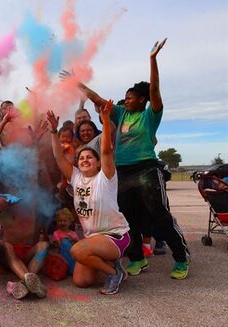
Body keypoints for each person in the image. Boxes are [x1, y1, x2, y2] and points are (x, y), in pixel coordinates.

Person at [79, 38, 190, 280]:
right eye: (125, 97)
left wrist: (152, 60)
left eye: (130, 97)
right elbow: (97, 100)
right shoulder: (121, 113)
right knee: (126, 219)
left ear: (141, 100)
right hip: (123, 173)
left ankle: (181, 258)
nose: (126, 100)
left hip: (147, 170)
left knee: (159, 215)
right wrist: (78, 85)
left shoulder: (151, 115)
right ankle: (138, 259)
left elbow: (154, 90)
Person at [49, 100, 131, 295]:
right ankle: (110, 264)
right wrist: (54, 131)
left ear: (97, 163)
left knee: (77, 251)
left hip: (114, 235)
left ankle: (114, 272)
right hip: (93, 238)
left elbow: (106, 150)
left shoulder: (106, 176)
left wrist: (104, 120)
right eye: (81, 158)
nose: (85, 160)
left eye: (89, 158)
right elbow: (59, 157)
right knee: (81, 281)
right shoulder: (76, 177)